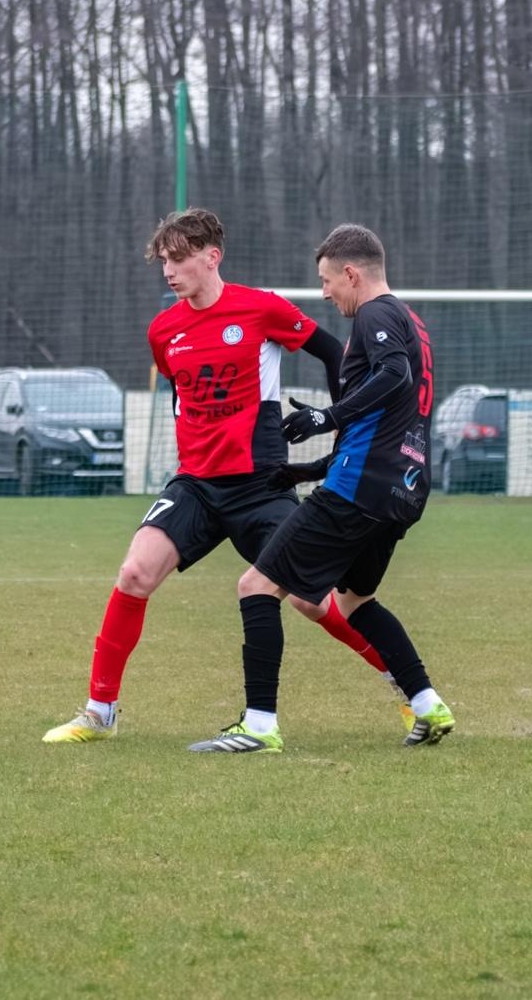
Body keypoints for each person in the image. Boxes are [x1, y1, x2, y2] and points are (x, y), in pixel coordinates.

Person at [42, 208, 408, 744]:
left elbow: (333, 352)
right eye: (163, 261)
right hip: (195, 484)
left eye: (179, 259)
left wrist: (339, 423)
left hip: (261, 484)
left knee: (313, 598)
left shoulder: (261, 309)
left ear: (212, 256)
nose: (169, 271)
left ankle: (402, 683)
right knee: (135, 573)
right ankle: (100, 712)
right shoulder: (163, 330)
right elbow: (179, 391)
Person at [187, 223, 453, 753]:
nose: (326, 293)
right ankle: (427, 704)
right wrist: (307, 472)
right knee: (356, 602)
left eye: (328, 281)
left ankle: (259, 726)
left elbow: (393, 376)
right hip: (402, 488)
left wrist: (327, 416)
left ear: (352, 273)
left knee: (256, 587)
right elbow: (390, 419)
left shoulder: (377, 313)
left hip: (359, 490)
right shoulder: (413, 323)